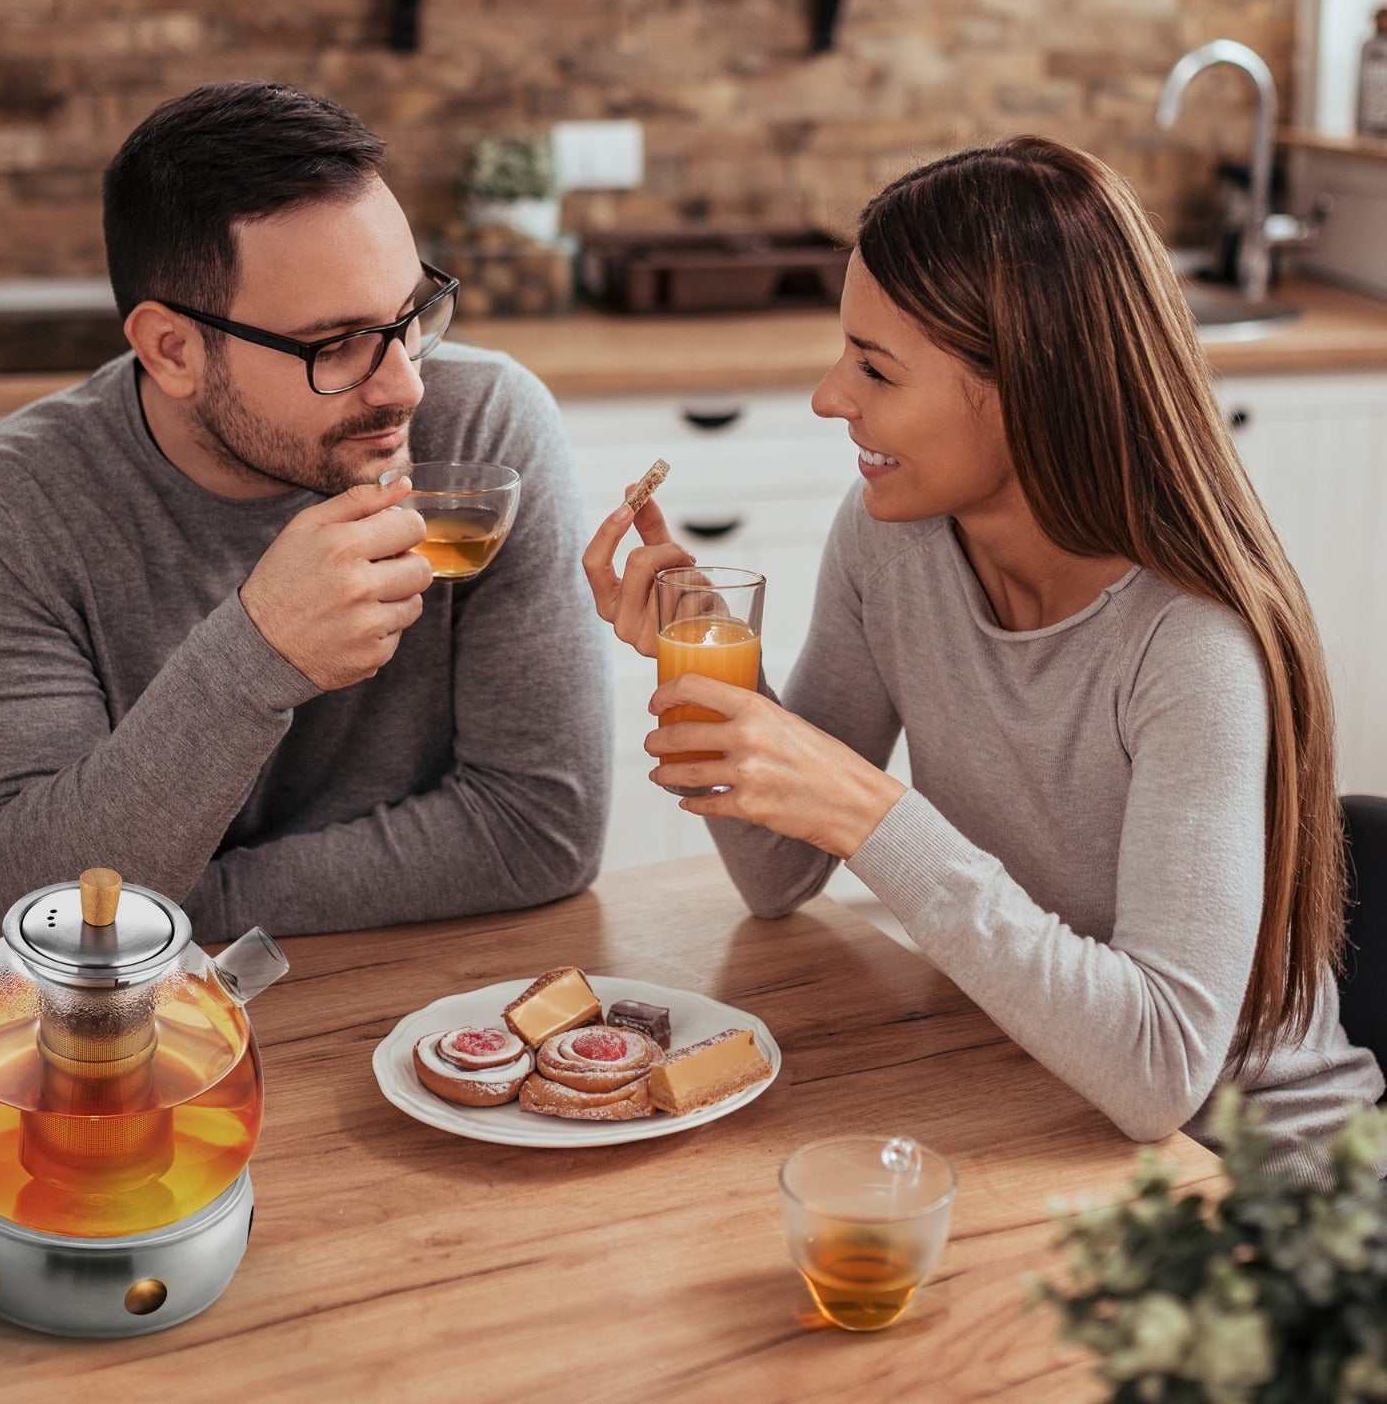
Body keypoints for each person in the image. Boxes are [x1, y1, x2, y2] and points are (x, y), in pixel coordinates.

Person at [584, 136, 1384, 1178]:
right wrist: (711, 666)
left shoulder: (1190, 644)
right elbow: (779, 876)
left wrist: (871, 810)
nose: (831, 396)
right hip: (1039, 1109)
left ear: (1027, 387)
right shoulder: (891, 540)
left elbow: (1160, 1075)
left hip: (1255, 1196)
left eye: (874, 366)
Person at [0, 81, 610, 947]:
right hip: (140, 1036)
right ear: (172, 350)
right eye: (335, 344)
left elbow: (542, 831)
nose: (408, 384)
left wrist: (160, 910)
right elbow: (24, 911)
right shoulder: (7, 511)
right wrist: (257, 655)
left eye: (412, 315)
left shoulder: (486, 435)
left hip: (435, 994)